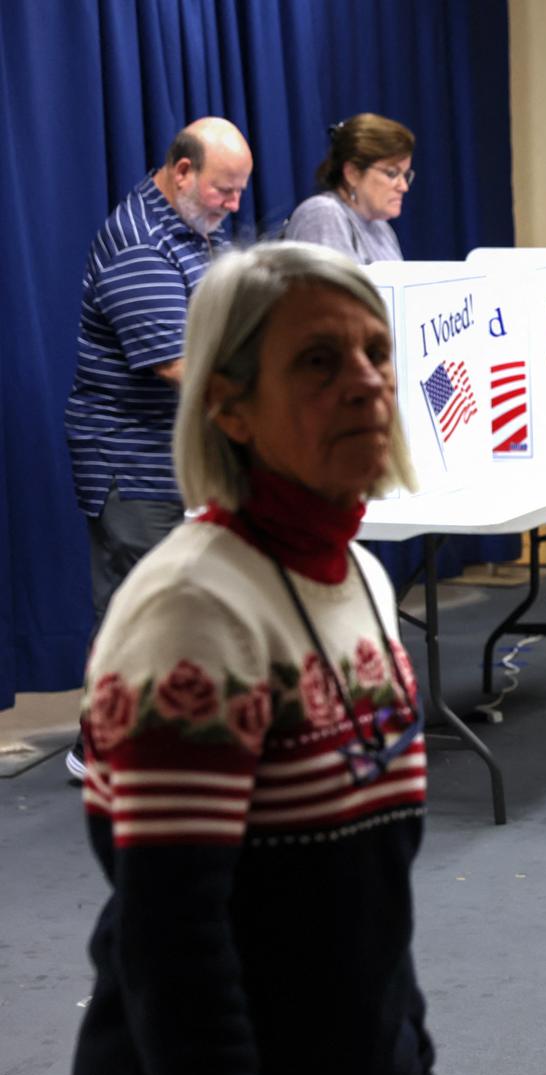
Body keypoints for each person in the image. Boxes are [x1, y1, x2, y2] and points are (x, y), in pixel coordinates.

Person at [72, 242, 435, 1075]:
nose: (366, 380)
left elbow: (373, 907)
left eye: (375, 351)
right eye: (318, 360)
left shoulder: (363, 579)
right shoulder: (192, 610)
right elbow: (174, 950)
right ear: (230, 407)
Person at [64, 116, 254, 779]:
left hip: (174, 455)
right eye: (224, 191)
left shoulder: (194, 228)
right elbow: (181, 366)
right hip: (131, 460)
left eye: (239, 193)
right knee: (139, 609)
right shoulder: (141, 245)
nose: (233, 206)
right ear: (182, 172)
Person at [284, 112, 415, 264]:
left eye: (405, 175)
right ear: (352, 173)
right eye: (392, 173)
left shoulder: (381, 228)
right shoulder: (323, 213)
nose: (404, 187)